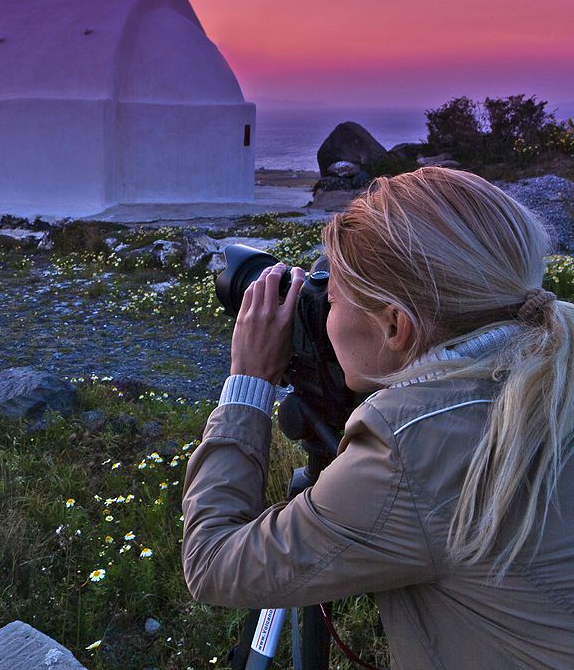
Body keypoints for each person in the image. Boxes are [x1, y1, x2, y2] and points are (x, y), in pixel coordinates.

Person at [181, 167, 574, 669]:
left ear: (394, 325)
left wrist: (248, 384)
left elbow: (214, 562)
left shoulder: (409, 451)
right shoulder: (553, 359)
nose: (322, 311)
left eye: (332, 298)